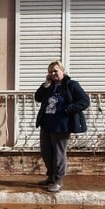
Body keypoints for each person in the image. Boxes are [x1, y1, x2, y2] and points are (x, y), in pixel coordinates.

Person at [35, 61, 89, 193]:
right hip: (46, 123)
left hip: (62, 125)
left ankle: (58, 180)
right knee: (46, 152)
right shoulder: (49, 86)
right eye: (50, 72)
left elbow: (84, 101)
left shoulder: (71, 85)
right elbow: (38, 97)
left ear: (62, 71)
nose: (53, 74)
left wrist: (68, 109)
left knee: (59, 154)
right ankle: (51, 177)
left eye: (55, 71)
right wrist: (46, 84)